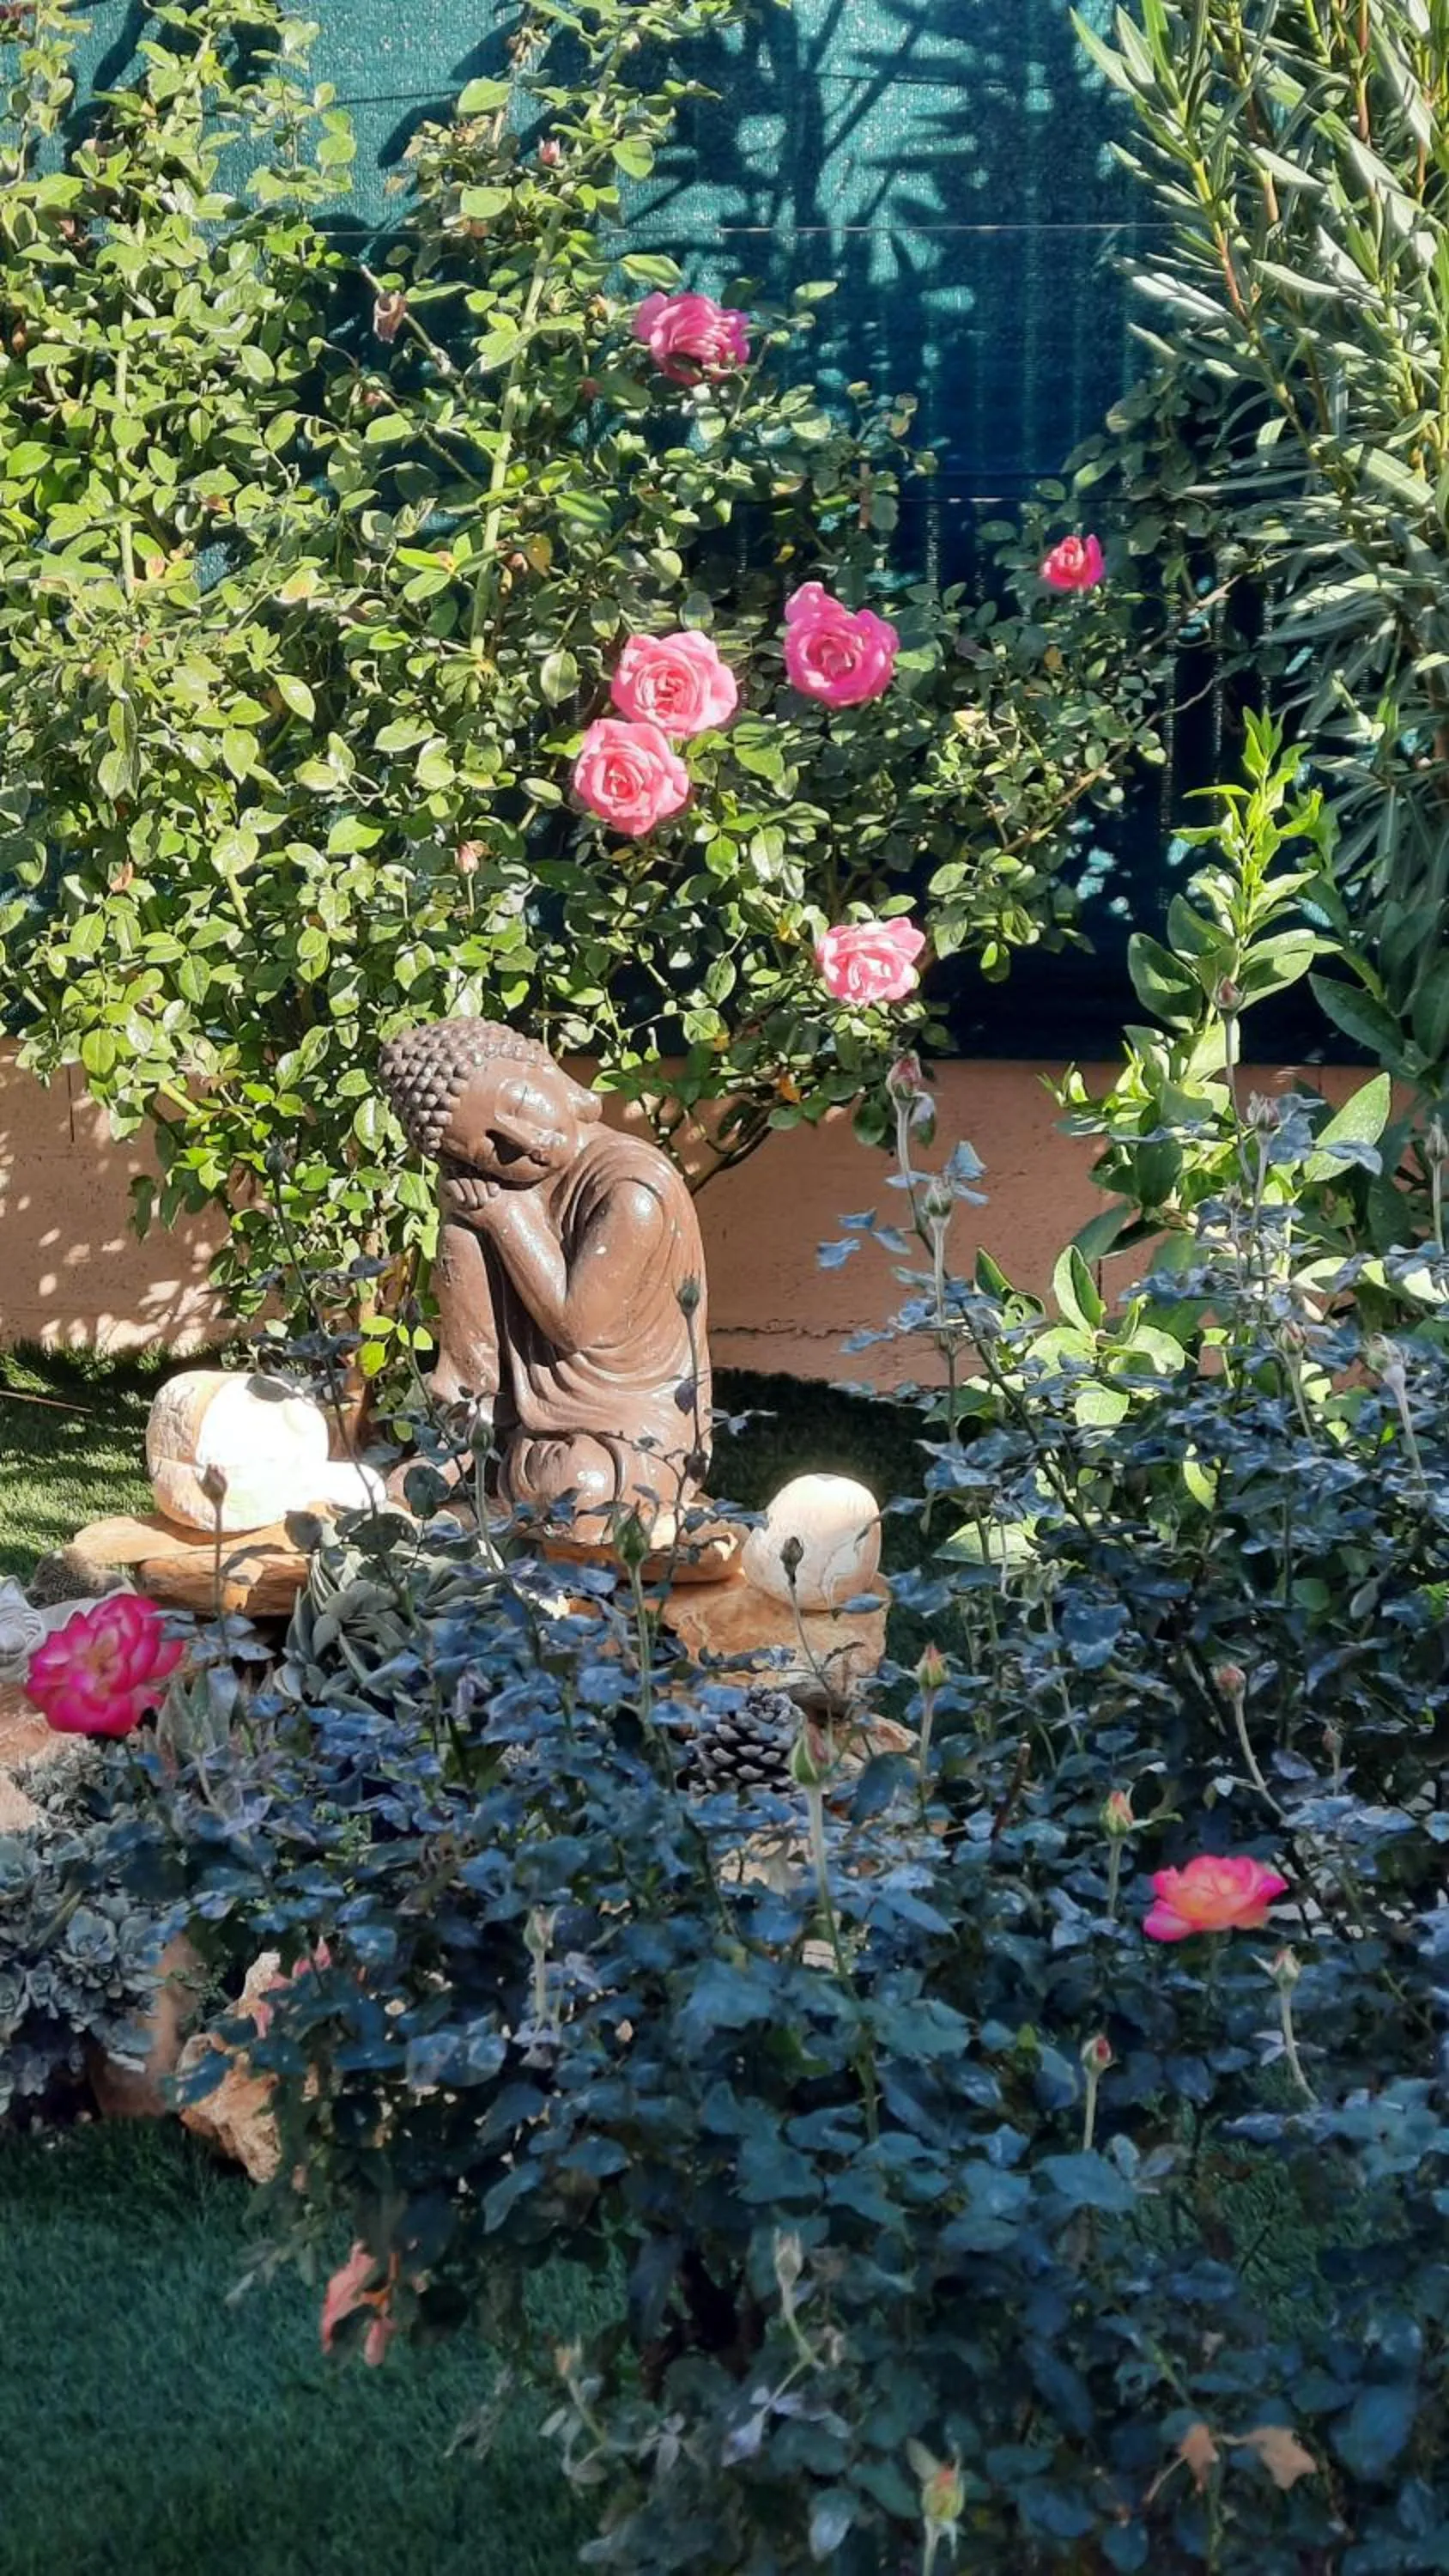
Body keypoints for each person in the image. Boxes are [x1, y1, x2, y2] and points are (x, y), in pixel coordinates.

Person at [379, 1019, 711, 1531]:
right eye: (489, 1147)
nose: (523, 1141)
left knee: (578, 1493)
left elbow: (574, 1326)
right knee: (463, 1237)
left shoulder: (632, 1191)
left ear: (545, 1067)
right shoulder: (505, 1191)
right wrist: (473, 1223)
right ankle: (471, 1432)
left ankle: (513, 1466)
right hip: (533, 1413)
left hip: (634, 1417)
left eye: (517, 1103)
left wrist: (506, 1219)